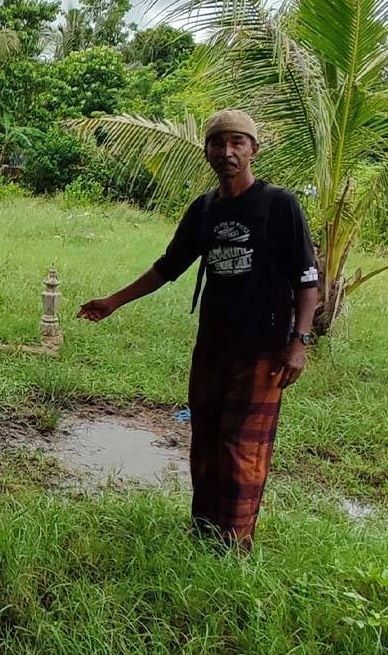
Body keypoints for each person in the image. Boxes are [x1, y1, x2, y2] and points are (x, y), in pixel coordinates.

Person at [76, 109, 319, 552]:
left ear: (253, 150)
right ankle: (204, 528)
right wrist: (113, 301)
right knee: (205, 438)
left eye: (237, 143)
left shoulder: (278, 204)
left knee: (243, 448)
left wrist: (298, 341)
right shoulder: (205, 209)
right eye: (218, 143)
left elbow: (307, 279)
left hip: (263, 348)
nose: (226, 151)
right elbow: (169, 267)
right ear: (207, 150)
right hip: (212, 346)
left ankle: (235, 542)